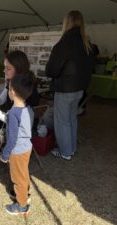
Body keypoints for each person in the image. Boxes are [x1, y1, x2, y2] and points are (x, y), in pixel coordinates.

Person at [45, 10, 93, 160]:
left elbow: (51, 70)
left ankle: (65, 152)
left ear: (68, 22)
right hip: (79, 89)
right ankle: (70, 149)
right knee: (71, 119)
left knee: (62, 122)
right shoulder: (86, 43)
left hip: (65, 89)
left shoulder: (64, 43)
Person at [0, 73, 34, 215]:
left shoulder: (13, 113)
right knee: (24, 173)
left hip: (18, 151)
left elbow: (12, 138)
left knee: (17, 177)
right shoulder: (28, 108)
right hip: (27, 147)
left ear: (12, 92)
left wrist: (5, 155)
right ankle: (24, 194)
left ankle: (21, 205)